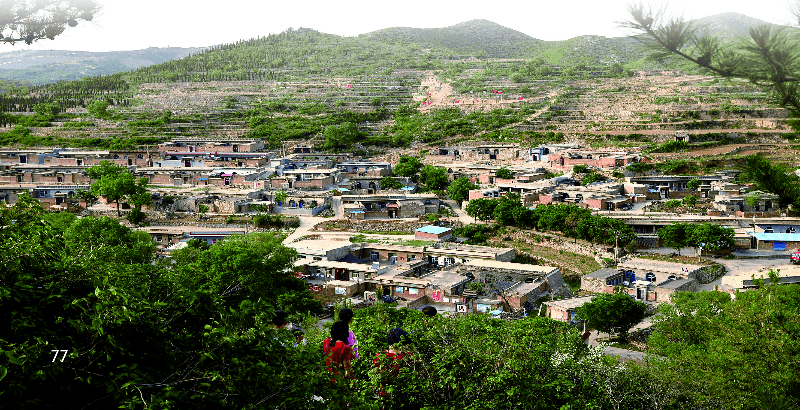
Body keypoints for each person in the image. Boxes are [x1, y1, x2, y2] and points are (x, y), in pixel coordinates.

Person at [373, 328, 413, 398]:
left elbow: (375, 377)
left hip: (384, 394)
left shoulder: (380, 356)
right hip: (404, 395)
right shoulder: (407, 357)